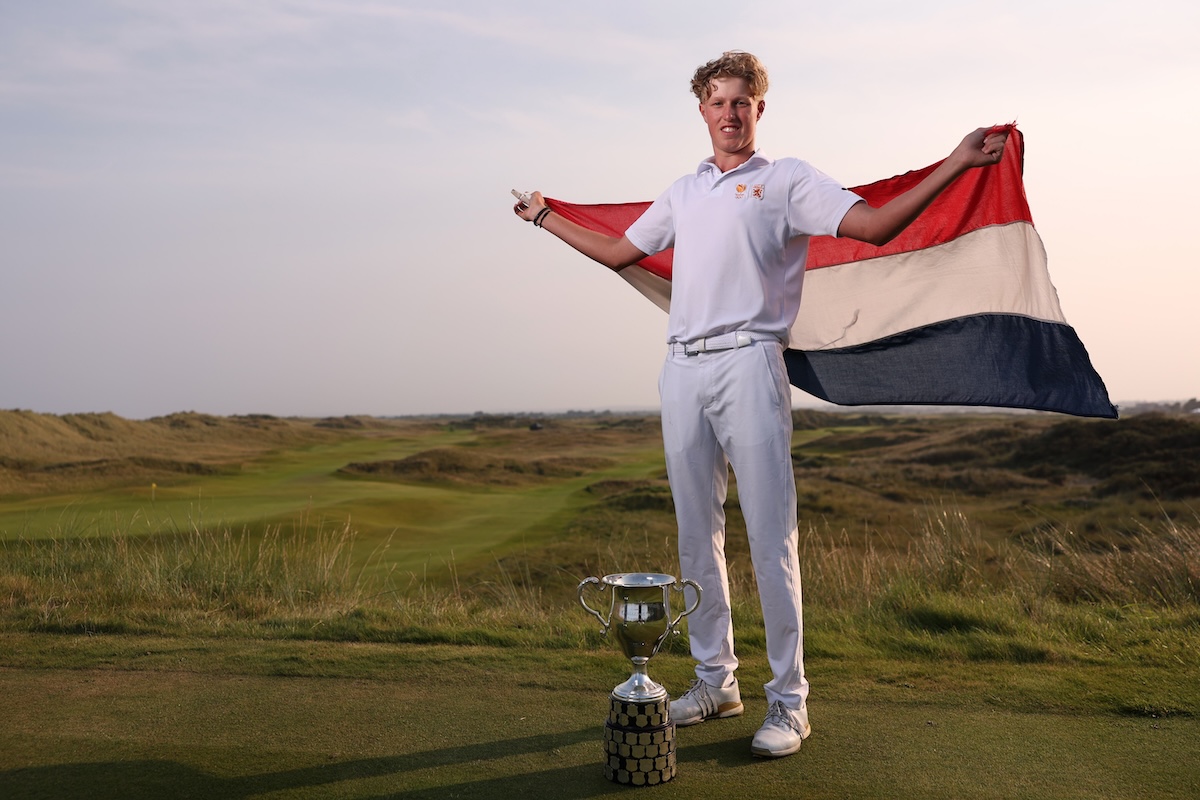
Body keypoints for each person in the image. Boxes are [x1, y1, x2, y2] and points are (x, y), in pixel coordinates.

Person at [512, 50, 1008, 758]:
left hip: (749, 361)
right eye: (717, 102)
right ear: (703, 111)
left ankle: (790, 704)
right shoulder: (684, 191)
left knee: (771, 540)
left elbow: (874, 227)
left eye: (741, 102)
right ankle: (716, 682)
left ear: (759, 109)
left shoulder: (787, 181)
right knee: (695, 537)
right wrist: (543, 217)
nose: (730, 114)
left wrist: (956, 162)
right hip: (681, 368)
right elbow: (620, 251)